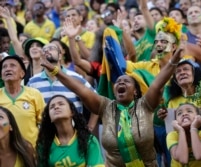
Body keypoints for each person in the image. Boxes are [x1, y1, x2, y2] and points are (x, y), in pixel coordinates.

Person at [39, 32, 184, 166]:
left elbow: (158, 83)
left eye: (126, 81)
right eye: (118, 82)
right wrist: (56, 71)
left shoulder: (145, 105)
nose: (120, 82)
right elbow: (80, 89)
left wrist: (174, 60)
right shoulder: (105, 107)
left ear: (135, 92)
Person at [36, 95, 104, 167]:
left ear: (72, 112)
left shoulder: (89, 141)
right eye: (52, 107)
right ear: (49, 117)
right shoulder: (44, 145)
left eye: (61, 104)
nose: (56, 107)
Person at [0, 55, 45, 147]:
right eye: (4, 67)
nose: (8, 69)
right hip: (4, 153)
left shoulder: (34, 94)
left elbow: (44, 122)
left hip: (31, 151)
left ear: (22, 74)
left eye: (12, 66)